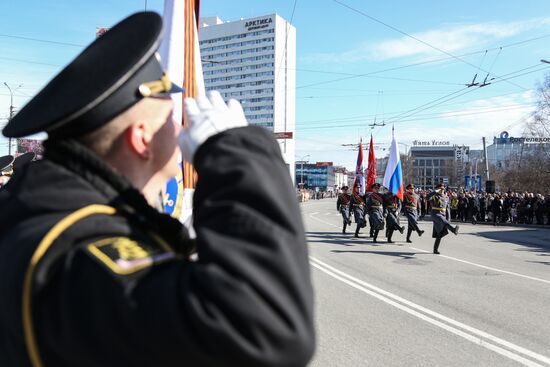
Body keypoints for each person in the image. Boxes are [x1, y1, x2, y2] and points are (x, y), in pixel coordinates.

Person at [0, 12, 314, 367]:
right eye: (171, 118)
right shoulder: (83, 250)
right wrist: (236, 152)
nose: (183, 126)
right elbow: (266, 331)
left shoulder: (36, 208)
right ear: (142, 140)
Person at [427, 184, 459, 255]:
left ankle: (435, 249)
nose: (442, 190)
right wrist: (435, 191)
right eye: (440, 189)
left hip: (443, 215)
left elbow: (447, 209)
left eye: (443, 189)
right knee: (442, 220)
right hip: (435, 214)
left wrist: (449, 219)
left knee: (441, 233)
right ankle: (453, 230)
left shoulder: (446, 197)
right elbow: (427, 197)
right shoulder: (434, 196)